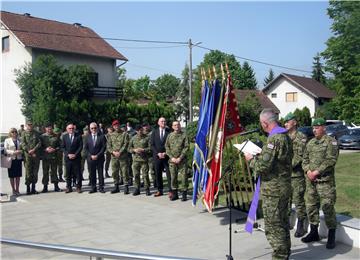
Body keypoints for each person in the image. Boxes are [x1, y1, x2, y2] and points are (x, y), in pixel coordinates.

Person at [244, 108, 292, 260]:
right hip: (282, 187)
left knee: (273, 227)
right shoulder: (285, 135)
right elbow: (275, 160)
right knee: (282, 224)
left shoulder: (274, 139)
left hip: (274, 191)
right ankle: (285, 254)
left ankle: (280, 256)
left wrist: (251, 159)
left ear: (265, 123)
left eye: (261, 123)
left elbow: (263, 167)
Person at [301, 118, 338, 249]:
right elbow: (304, 159)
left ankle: (332, 235)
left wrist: (316, 172)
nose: (314, 130)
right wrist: (308, 171)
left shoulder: (330, 142)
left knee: (328, 208)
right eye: (313, 128)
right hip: (311, 182)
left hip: (325, 183)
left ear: (324, 128)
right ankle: (314, 232)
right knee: (311, 207)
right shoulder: (310, 143)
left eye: (317, 127)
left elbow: (331, 160)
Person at [284, 112, 308, 238]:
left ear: (294, 122)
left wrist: (285, 166)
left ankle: (301, 224)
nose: (285, 123)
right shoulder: (284, 136)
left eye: (288, 121)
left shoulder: (301, 137)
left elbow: (299, 156)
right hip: (285, 175)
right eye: (285, 122)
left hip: (296, 175)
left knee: (298, 200)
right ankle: (288, 221)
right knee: (287, 199)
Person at [165, 121, 189, 201]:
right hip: (172, 160)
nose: (177, 126)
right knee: (173, 177)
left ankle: (184, 194)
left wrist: (180, 158)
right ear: (172, 127)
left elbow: (186, 147)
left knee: (184, 177)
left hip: (182, 160)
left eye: (178, 125)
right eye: (175, 125)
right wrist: (172, 158)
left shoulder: (184, 135)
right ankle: (175, 194)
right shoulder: (170, 136)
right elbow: (167, 147)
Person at [107, 120, 130, 194]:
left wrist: (120, 152)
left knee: (124, 171)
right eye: (114, 125)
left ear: (119, 125)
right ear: (113, 126)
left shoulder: (124, 134)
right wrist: (113, 152)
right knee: (114, 171)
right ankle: (116, 186)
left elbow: (126, 144)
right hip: (114, 156)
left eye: (117, 125)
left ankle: (126, 186)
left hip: (122, 156)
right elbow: (108, 146)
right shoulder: (110, 135)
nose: (116, 126)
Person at [150, 117, 171, 197]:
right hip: (157, 156)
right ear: (158, 123)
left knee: (169, 174)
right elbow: (152, 145)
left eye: (165, 121)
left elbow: (170, 145)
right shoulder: (154, 132)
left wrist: (165, 153)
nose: (163, 122)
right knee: (158, 174)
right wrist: (158, 153)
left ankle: (170, 190)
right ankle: (160, 190)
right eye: (162, 121)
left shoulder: (169, 132)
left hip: (167, 156)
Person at [128, 125, 151, 196]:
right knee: (136, 175)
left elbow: (150, 148)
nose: (140, 131)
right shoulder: (133, 138)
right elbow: (129, 148)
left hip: (144, 160)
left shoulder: (147, 138)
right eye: (138, 130)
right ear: (136, 131)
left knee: (145, 175)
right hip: (136, 160)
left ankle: (147, 189)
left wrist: (144, 150)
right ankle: (137, 189)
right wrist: (134, 150)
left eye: (141, 130)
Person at [84, 122, 106, 193]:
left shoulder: (102, 136)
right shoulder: (87, 137)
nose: (94, 129)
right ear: (90, 129)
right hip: (91, 159)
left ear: (97, 128)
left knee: (100, 173)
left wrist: (97, 155)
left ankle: (101, 187)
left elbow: (103, 147)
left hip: (99, 158)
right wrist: (91, 156)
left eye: (95, 128)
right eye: (92, 128)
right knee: (92, 173)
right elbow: (86, 148)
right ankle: (93, 187)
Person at [21, 120, 42, 195]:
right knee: (28, 172)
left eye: (31, 124)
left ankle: (33, 188)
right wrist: (29, 150)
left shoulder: (37, 133)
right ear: (26, 125)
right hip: (27, 156)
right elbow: (23, 143)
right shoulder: (23, 133)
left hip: (36, 155)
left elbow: (39, 143)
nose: (30, 126)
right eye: (28, 125)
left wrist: (34, 150)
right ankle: (28, 189)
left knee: (35, 172)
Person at [61, 123, 83, 193]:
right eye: (69, 128)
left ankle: (78, 187)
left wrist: (75, 154)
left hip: (76, 158)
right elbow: (63, 147)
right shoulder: (64, 137)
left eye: (72, 128)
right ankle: (69, 187)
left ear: (74, 129)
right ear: (67, 129)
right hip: (68, 158)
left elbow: (80, 146)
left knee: (78, 174)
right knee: (68, 174)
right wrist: (68, 154)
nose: (71, 130)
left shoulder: (78, 136)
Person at [40, 124, 61, 192]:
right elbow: (39, 146)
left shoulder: (56, 136)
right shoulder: (42, 137)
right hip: (45, 157)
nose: (49, 130)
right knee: (45, 172)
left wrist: (54, 149)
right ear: (45, 129)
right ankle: (45, 187)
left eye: (50, 128)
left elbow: (60, 145)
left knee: (54, 172)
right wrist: (45, 149)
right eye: (48, 129)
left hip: (53, 157)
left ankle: (56, 186)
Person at [4, 128, 23, 195]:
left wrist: (20, 151)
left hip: (18, 159)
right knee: (12, 176)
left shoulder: (19, 139)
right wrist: (13, 152)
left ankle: (17, 190)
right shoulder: (7, 140)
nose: (14, 133)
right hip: (11, 159)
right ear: (10, 133)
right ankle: (13, 190)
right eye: (12, 132)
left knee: (18, 176)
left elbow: (23, 148)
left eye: (15, 132)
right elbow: (5, 150)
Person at [143, 123, 156, 188]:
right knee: (144, 170)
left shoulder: (152, 133)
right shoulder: (141, 134)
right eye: (144, 126)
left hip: (151, 154)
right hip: (143, 155)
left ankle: (155, 181)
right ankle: (144, 181)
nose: (145, 127)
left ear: (148, 126)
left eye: (146, 126)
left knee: (152, 169)